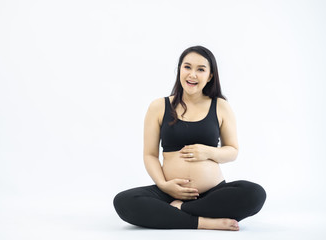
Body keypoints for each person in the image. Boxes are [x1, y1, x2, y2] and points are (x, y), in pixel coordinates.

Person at [113, 46, 266, 231]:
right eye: (187, 67)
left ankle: (182, 211)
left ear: (210, 76)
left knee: (255, 194)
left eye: (201, 69)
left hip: (212, 194)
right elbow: (150, 155)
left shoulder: (221, 106)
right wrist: (164, 185)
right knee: (123, 201)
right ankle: (204, 222)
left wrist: (208, 152)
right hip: (169, 192)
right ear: (179, 70)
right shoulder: (159, 106)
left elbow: (232, 151)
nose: (192, 74)